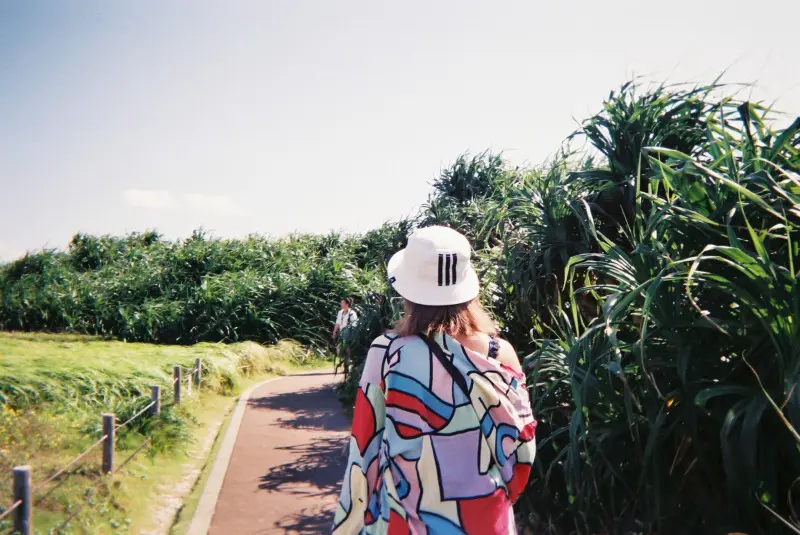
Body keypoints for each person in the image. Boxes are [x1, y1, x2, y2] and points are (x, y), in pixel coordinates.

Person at [333, 226, 536, 534]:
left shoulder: (386, 353)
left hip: (407, 518)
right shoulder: (499, 353)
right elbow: (523, 447)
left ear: (408, 291)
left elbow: (365, 447)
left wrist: (356, 520)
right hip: (485, 518)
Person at [333, 297, 358, 377]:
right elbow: (338, 323)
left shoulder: (352, 313)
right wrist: (334, 332)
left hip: (349, 334)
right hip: (342, 334)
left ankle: (347, 367)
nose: (341, 304)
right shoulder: (340, 312)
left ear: (347, 304)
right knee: (340, 350)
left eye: (342, 303)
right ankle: (345, 365)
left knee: (348, 350)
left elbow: (354, 325)